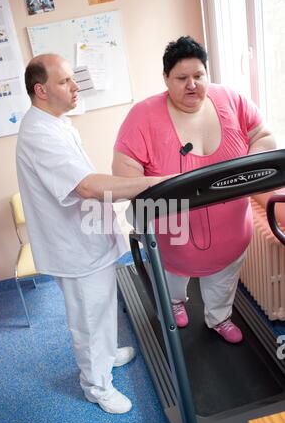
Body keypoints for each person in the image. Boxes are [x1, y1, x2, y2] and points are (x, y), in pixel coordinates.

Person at [16, 53, 171, 415]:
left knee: (101, 308)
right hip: (73, 249)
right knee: (87, 318)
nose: (75, 86)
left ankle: (106, 354)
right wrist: (152, 183)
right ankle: (96, 386)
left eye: (74, 78)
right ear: (40, 90)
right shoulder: (40, 133)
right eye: (65, 81)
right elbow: (86, 187)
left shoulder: (56, 122)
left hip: (87, 240)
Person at [112, 36, 277, 343]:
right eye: (182, 78)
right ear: (165, 79)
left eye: (198, 76)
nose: (192, 85)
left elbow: (264, 135)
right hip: (173, 237)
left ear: (207, 74)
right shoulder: (143, 116)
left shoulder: (230, 99)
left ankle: (219, 318)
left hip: (231, 232)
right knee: (174, 278)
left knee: (223, 281)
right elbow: (123, 172)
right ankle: (175, 302)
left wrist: (245, 168)